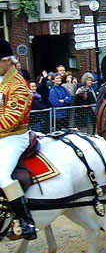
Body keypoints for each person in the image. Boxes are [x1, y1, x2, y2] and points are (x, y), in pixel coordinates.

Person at [0, 39, 36, 240]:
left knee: (2, 176)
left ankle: (25, 221)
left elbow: (11, 120)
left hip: (14, 137)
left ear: (6, 61)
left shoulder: (18, 85)